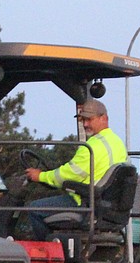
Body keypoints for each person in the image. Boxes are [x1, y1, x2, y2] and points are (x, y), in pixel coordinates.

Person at [24, 98, 128, 240]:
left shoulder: (92, 146)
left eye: (89, 120)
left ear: (104, 118)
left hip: (85, 203)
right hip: (106, 206)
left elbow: (68, 176)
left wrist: (40, 176)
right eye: (83, 120)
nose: (85, 124)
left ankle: (49, 253)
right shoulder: (118, 143)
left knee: (34, 209)